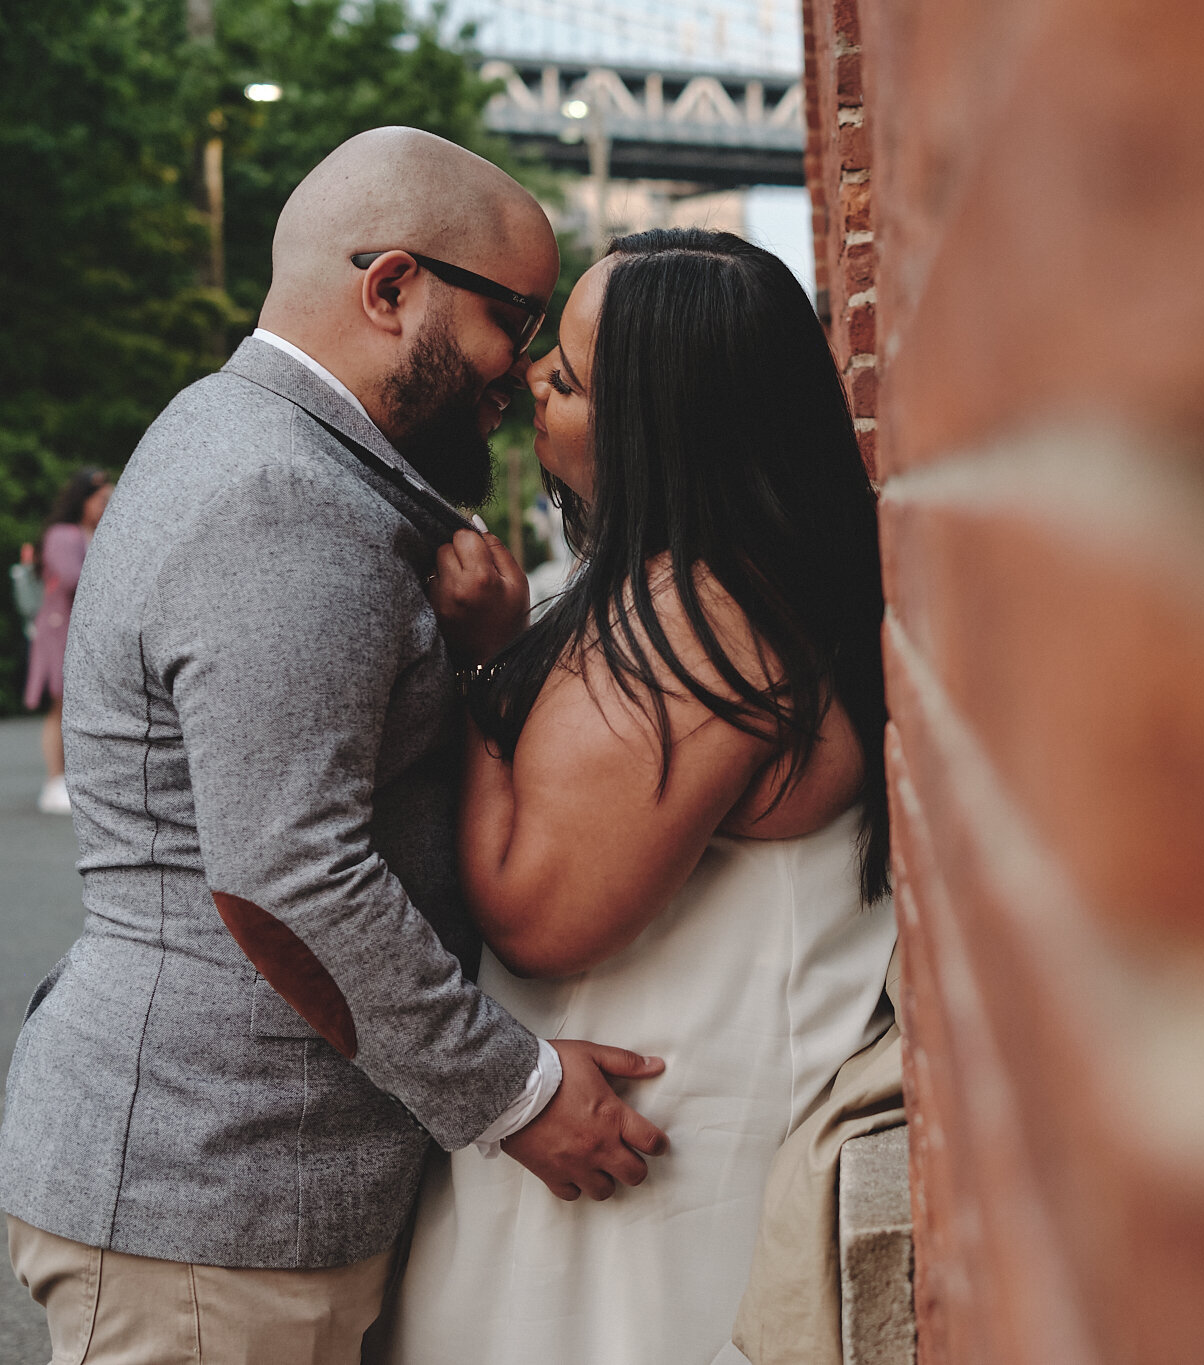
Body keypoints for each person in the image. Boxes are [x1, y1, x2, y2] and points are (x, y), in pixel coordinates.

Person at [0, 127, 668, 1365]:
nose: (516, 372)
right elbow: (287, 873)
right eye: (512, 319)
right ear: (392, 285)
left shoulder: (265, 444)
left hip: (242, 1196)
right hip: (211, 1207)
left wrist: (471, 659)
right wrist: (514, 1096)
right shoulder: (280, 499)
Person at [382, 229, 896, 1365]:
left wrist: (474, 670)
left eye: (562, 381)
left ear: (655, 426)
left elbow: (536, 909)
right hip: (647, 1152)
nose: (528, 390)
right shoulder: (757, 577)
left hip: (626, 1176)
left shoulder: (695, 621)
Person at [23, 467, 113, 814]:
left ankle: (78, 778)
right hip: (61, 628)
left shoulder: (91, 532)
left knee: (84, 704)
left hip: (82, 629)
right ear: (83, 499)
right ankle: (55, 780)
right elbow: (75, 578)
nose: (106, 505)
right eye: (100, 499)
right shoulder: (63, 534)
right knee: (60, 703)